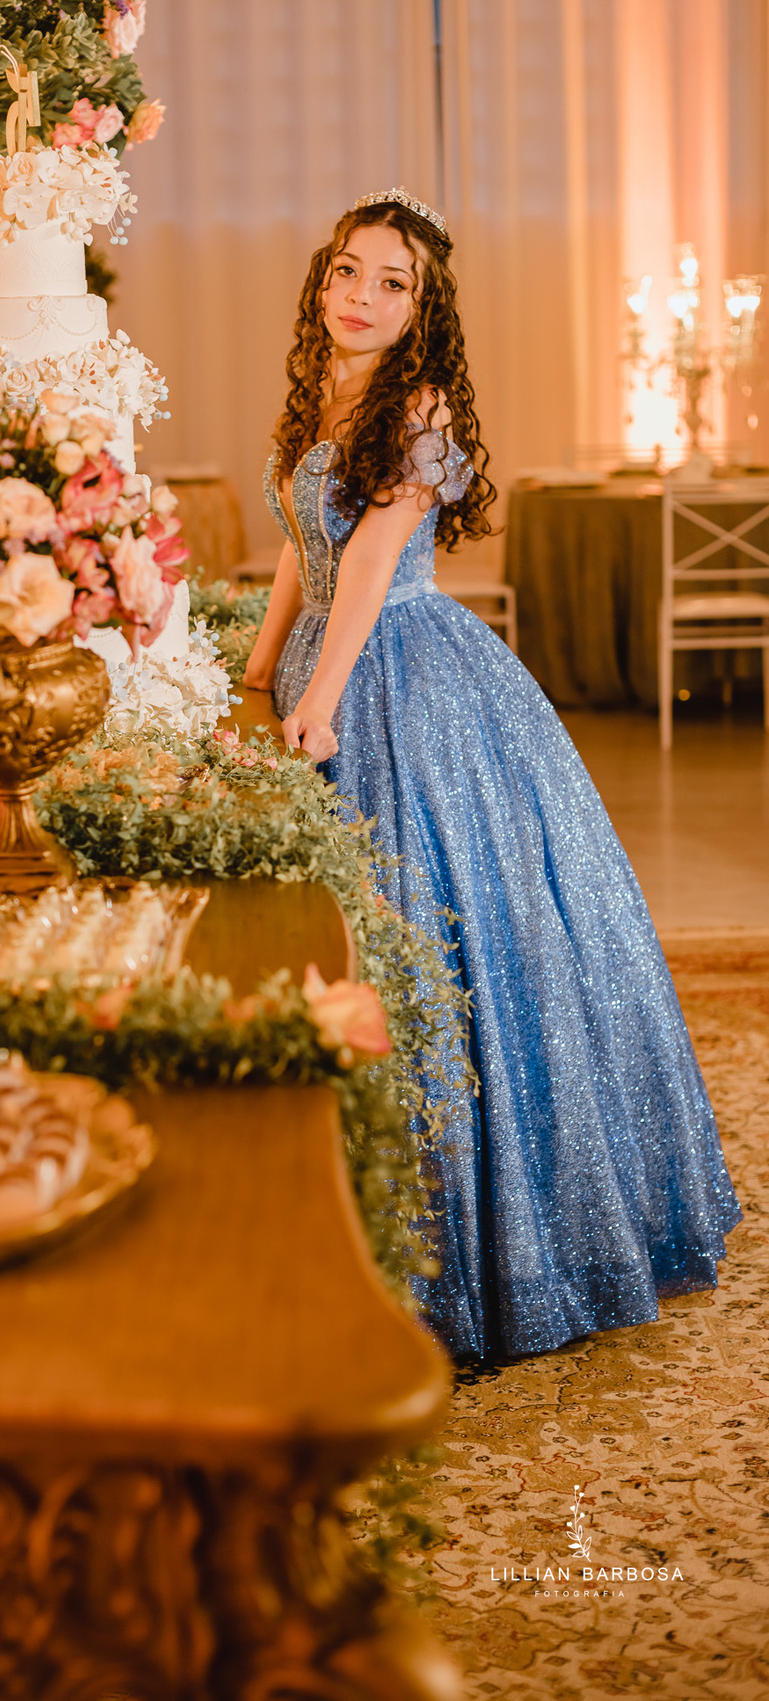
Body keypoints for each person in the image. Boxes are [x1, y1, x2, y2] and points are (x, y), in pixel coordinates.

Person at [244, 188, 741, 1362]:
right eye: (347, 272)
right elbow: (302, 543)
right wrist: (260, 666)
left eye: (390, 283)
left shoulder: (417, 407)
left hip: (405, 672)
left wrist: (317, 700)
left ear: (424, 311)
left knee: (437, 924)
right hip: (323, 655)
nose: (359, 297)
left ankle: (482, 1248)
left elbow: (368, 561)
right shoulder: (329, 389)